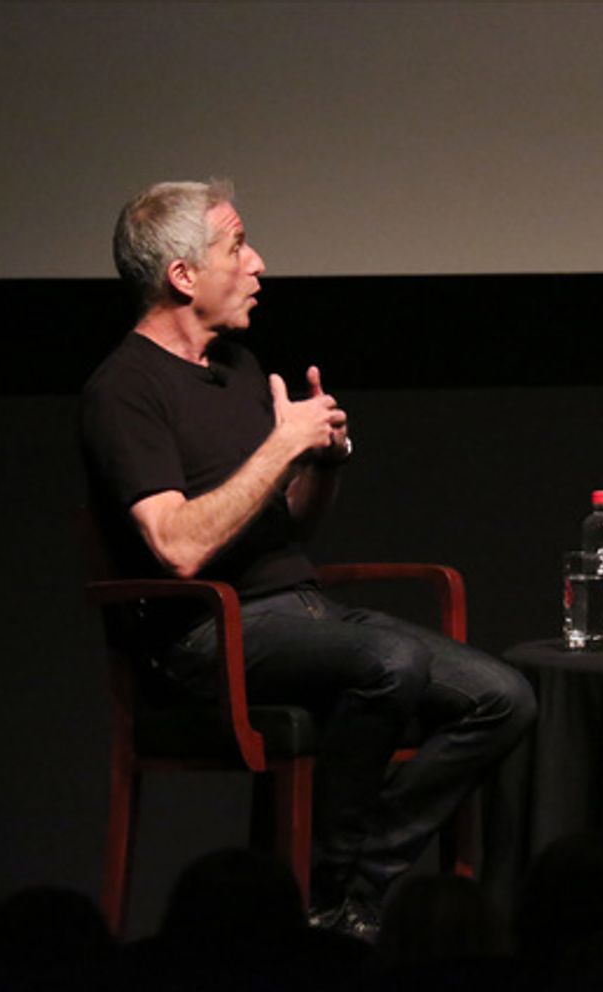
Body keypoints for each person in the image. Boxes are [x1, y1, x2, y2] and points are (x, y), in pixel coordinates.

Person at [81, 179, 535, 941]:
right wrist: (280, 444)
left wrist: (319, 460)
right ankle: (327, 896)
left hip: (300, 612)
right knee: (389, 661)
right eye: (236, 247)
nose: (257, 263)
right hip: (202, 637)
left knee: (503, 696)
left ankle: (352, 888)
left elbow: (291, 525)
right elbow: (178, 547)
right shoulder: (124, 389)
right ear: (183, 275)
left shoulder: (241, 367)